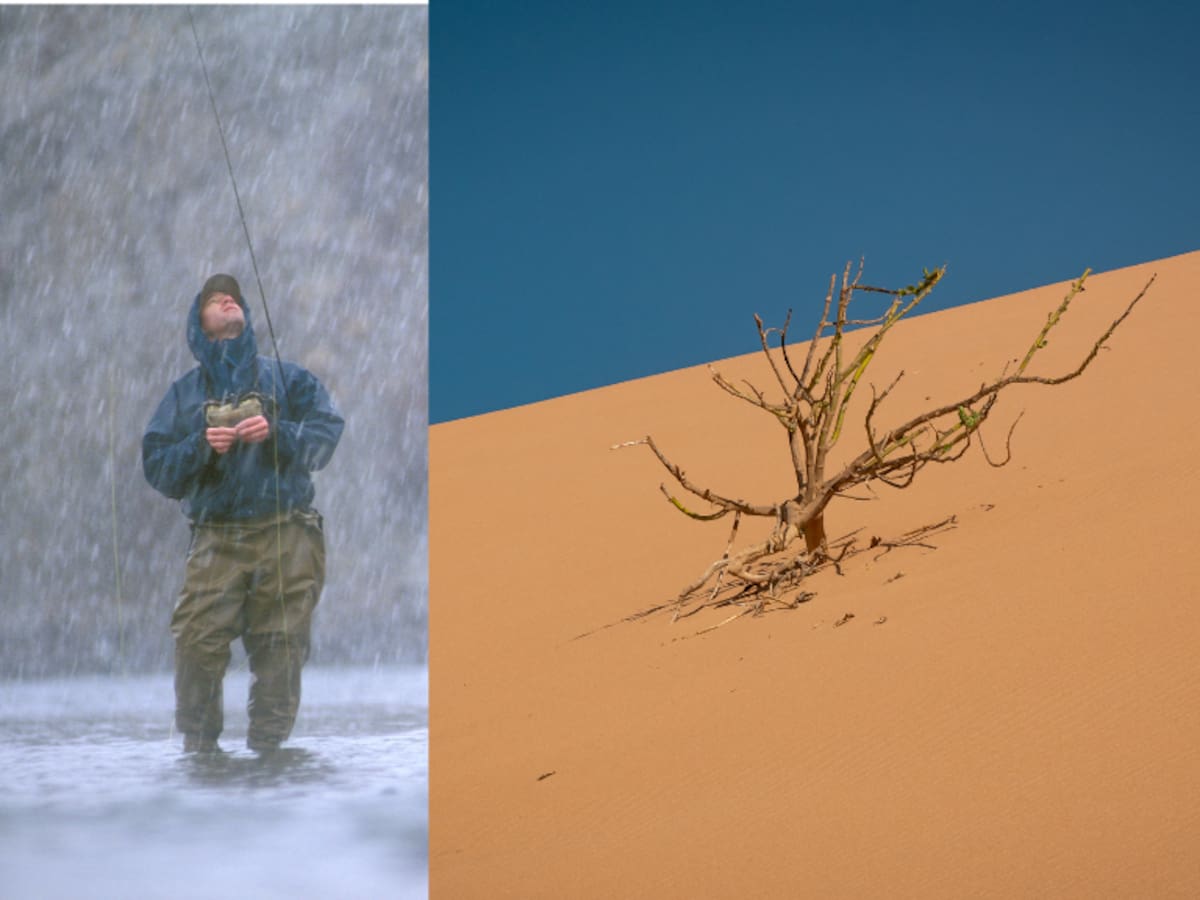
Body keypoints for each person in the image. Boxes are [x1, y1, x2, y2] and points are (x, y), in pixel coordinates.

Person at [143, 273, 344, 754]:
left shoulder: (290, 379)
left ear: (246, 316)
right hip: (215, 537)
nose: (225, 298)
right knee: (197, 642)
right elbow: (158, 469)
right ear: (200, 325)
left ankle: (271, 753)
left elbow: (325, 437)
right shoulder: (183, 395)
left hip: (288, 532)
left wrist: (278, 433)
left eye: (230, 296)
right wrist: (201, 447)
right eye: (213, 300)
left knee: (283, 647)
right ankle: (200, 747)